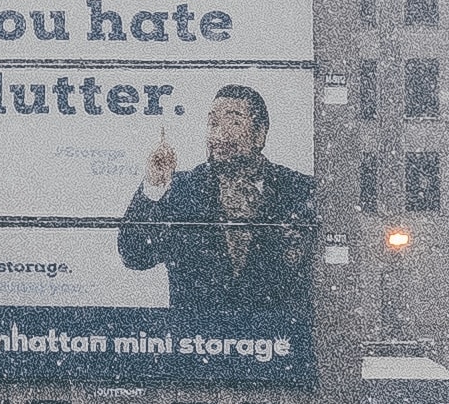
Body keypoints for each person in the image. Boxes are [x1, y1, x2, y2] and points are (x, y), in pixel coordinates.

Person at [116, 82, 318, 332]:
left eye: (233, 123)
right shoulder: (181, 189)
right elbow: (135, 254)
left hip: (278, 350)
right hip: (198, 348)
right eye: (213, 123)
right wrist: (154, 187)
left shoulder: (299, 190)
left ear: (260, 134)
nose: (219, 135)